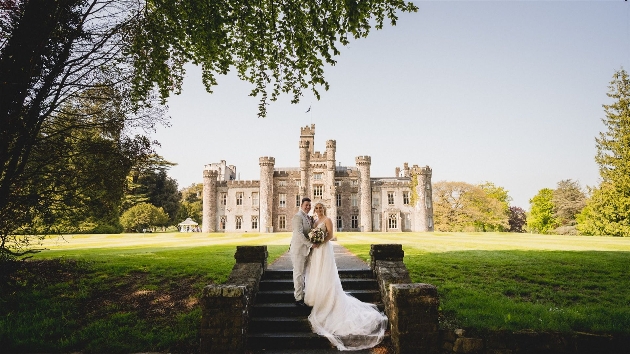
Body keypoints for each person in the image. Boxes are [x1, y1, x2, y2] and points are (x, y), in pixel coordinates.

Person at [304, 203, 388, 351]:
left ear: (324, 209)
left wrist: (320, 242)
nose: (318, 210)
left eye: (320, 208)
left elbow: (330, 235)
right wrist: (313, 242)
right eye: (316, 208)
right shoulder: (314, 221)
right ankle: (317, 296)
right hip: (316, 251)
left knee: (326, 272)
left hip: (324, 249)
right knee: (316, 272)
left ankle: (328, 299)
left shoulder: (328, 220)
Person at [290, 197, 316, 307]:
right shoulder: (298, 216)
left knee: (303, 274)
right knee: (298, 274)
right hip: (298, 250)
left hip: (305, 250)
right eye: (306, 205)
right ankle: (298, 298)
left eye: (310, 205)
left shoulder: (307, 217)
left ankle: (302, 294)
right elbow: (299, 234)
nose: (308, 207)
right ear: (301, 205)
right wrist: (311, 244)